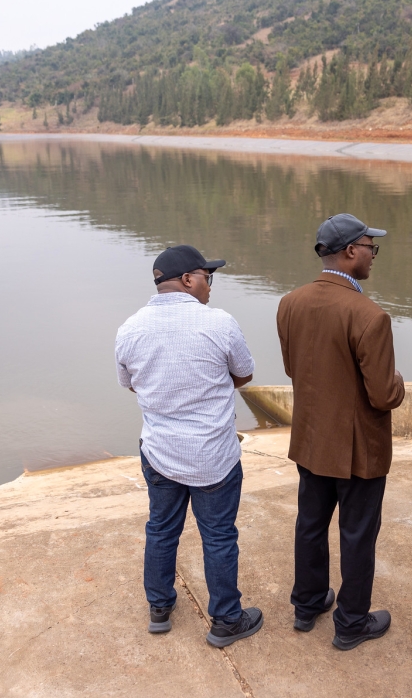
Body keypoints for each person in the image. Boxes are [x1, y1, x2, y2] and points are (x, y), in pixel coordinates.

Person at [115, 244, 263, 648]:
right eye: (207, 277)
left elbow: (130, 383)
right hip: (212, 455)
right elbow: (244, 374)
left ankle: (159, 608)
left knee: (161, 529)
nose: (210, 286)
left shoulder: (129, 328)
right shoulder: (219, 323)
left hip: (159, 451)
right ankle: (226, 621)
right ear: (187, 280)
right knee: (218, 537)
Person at [276, 213, 405, 650]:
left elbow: (294, 369)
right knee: (357, 534)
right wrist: (398, 381)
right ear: (351, 251)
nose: (373, 255)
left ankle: (307, 604)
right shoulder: (369, 315)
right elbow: (384, 395)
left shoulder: (290, 303)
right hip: (357, 450)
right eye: (370, 247)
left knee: (310, 524)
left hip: (311, 439)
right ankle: (350, 623)